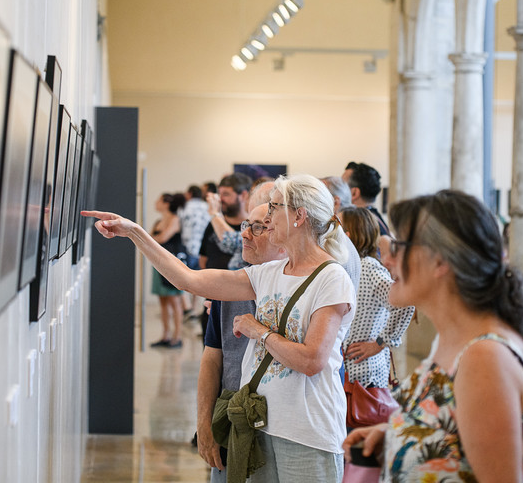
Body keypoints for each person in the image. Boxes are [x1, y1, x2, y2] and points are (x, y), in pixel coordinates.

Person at [84, 173, 356, 482]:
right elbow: (188, 279)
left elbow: (312, 361)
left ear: (299, 216)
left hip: (308, 432)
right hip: (261, 424)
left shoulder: (331, 278)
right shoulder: (268, 272)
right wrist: (135, 233)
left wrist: (260, 332)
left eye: (274, 209)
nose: (267, 219)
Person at [343, 190, 523, 482]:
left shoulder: (485, 360)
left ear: (441, 261)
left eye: (401, 246)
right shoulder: (454, 342)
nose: (388, 257)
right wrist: (396, 435)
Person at [197, 201, 286, 482]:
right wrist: (204, 424)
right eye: (246, 224)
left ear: (283, 236)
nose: (244, 234)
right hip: (233, 417)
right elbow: (212, 358)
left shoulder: (303, 292)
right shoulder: (228, 291)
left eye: (258, 227)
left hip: (283, 429)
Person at [338, 206, 414, 389]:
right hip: (348, 373)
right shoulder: (346, 266)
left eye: (337, 225)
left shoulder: (369, 268)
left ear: (348, 235)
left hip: (364, 375)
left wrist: (380, 343)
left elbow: (404, 303)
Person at [198, 173, 252, 337]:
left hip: (240, 306)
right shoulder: (212, 225)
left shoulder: (252, 228)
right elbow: (203, 260)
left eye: (226, 194)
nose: (221, 199)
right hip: (212, 302)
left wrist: (214, 214)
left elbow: (232, 241)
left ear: (243, 195)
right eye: (219, 194)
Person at [150, 192, 187, 348]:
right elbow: (153, 238)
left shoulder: (175, 219)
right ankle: (165, 335)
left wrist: (149, 238)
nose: (155, 202)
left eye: (158, 200)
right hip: (158, 262)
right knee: (163, 301)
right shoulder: (159, 221)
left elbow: (162, 238)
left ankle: (176, 337)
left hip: (171, 264)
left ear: (166, 203)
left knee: (174, 300)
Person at [180, 184, 211, 314]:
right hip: (202, 248)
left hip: (187, 247)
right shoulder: (207, 207)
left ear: (190, 193)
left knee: (184, 278)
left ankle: (187, 307)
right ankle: (195, 309)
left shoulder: (184, 207)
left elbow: (179, 225)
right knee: (199, 279)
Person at [342, 162, 391, 236]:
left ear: (354, 193)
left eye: (341, 185)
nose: (337, 191)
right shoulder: (375, 221)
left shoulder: (360, 226)